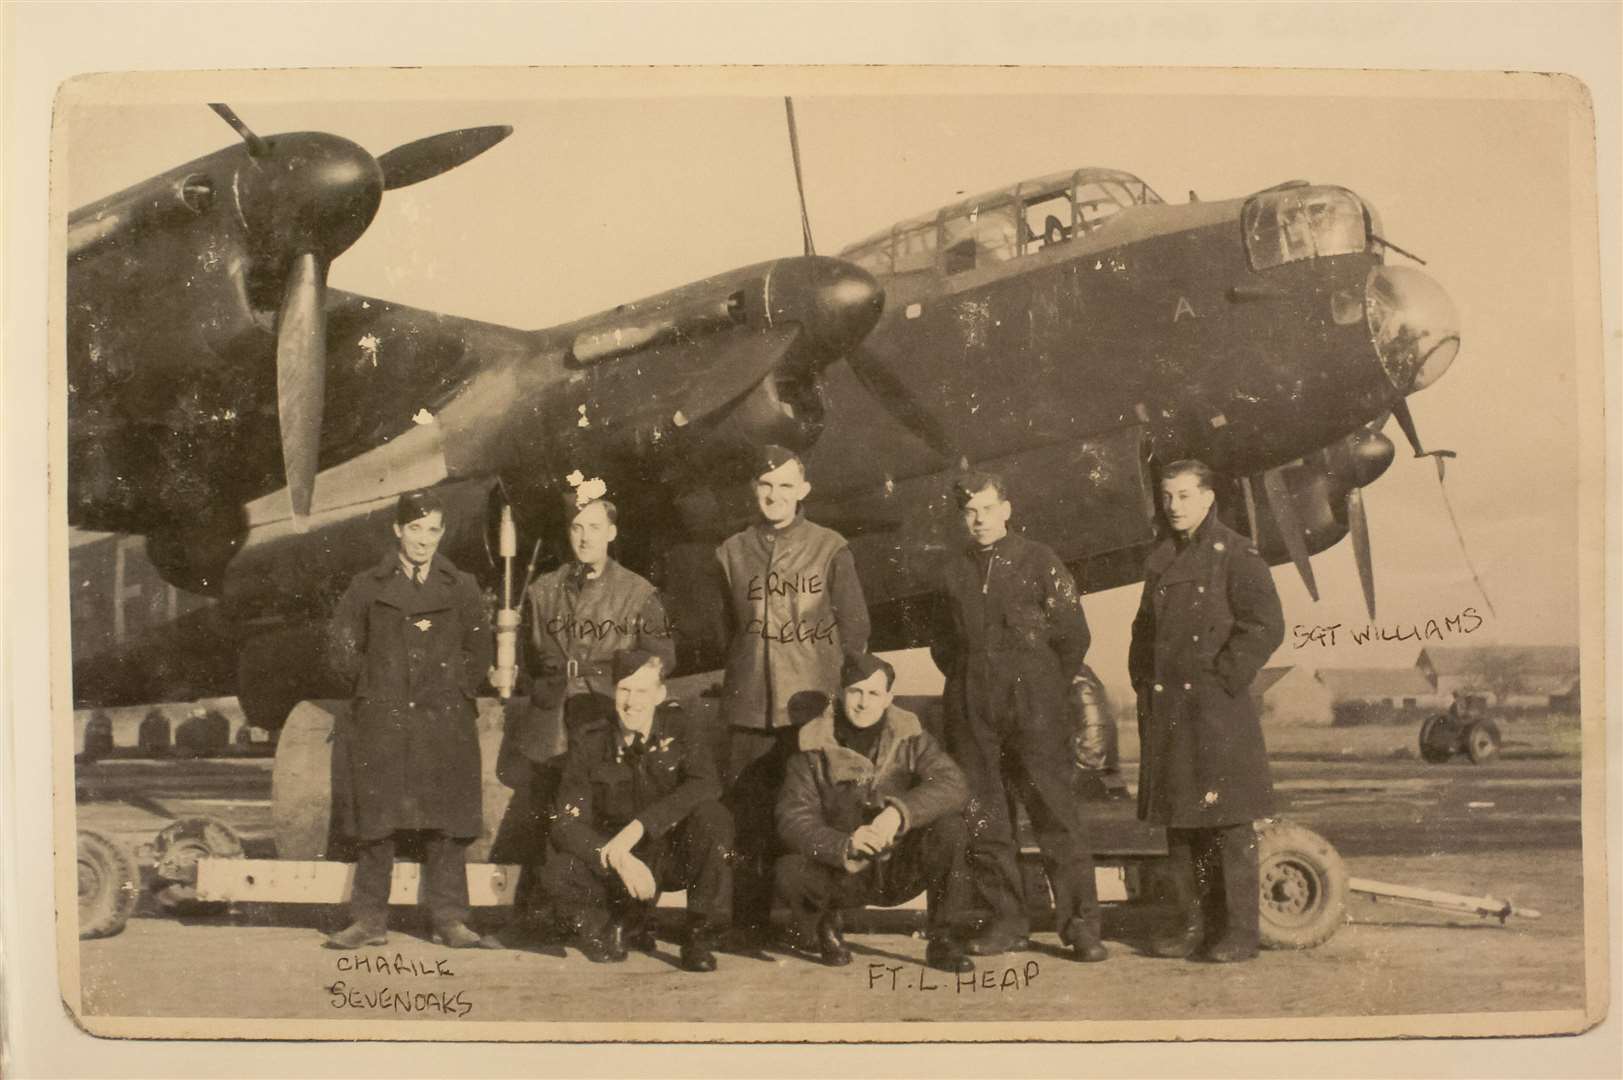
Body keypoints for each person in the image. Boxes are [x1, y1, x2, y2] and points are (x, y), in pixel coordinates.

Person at [931, 471, 1107, 962]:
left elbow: (1073, 635)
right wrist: (975, 684)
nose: (980, 519)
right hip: (974, 710)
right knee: (987, 820)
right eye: (970, 512)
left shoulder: (1040, 562)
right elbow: (943, 645)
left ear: (1006, 509)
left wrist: (1041, 686)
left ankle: (1081, 927)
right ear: (961, 518)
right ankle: (1007, 923)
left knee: (1055, 816)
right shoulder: (953, 571)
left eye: (988, 508)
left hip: (1035, 710)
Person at [324, 489, 499, 950]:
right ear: (398, 530)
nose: (424, 540)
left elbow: (479, 648)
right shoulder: (367, 586)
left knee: (446, 824)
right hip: (384, 720)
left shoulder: (461, 586)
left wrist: (456, 687)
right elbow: (341, 647)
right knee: (377, 824)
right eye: (416, 529)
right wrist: (374, 686)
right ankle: (368, 920)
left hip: (443, 720)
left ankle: (450, 920)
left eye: (434, 530)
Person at [494, 493, 676, 930]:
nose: (584, 537)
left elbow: (662, 657)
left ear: (612, 533)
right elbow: (530, 660)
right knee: (551, 814)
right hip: (554, 718)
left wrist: (621, 681)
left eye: (595, 527)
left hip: (606, 714)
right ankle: (544, 913)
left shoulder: (637, 593)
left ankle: (621, 916)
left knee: (603, 813)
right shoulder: (543, 591)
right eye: (577, 528)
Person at [1128, 459, 1285, 963]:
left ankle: (1239, 933)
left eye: (1184, 495)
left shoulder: (1236, 554)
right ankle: (1191, 927)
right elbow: (1143, 633)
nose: (1174, 506)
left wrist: (1224, 679)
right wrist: (1144, 685)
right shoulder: (1159, 560)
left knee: (1229, 824)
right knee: (1182, 826)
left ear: (1208, 498)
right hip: (1171, 708)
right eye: (1167, 496)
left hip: (1217, 711)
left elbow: (1265, 625)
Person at [715, 445, 870, 944]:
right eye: (766, 486)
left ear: (803, 491)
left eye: (785, 485)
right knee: (748, 817)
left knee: (820, 815)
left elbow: (855, 628)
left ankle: (825, 922)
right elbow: (726, 631)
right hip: (748, 707)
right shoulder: (731, 551)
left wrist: (835, 701)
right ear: (754, 491)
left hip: (809, 707)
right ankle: (748, 924)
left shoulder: (830, 547)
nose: (774, 495)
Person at [774, 654, 975, 973]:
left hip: (897, 864)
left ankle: (944, 940)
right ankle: (826, 924)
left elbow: (953, 784)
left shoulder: (911, 736)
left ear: (888, 699)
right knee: (790, 870)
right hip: (842, 870)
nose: (863, 703)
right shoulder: (813, 745)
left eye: (873, 694)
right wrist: (844, 845)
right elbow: (793, 819)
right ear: (840, 693)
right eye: (856, 692)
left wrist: (898, 813)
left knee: (951, 829)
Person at [540, 648, 733, 972]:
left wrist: (640, 827)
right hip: (617, 863)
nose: (632, 702)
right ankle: (621, 921)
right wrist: (616, 855)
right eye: (624, 690)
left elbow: (706, 784)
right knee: (560, 868)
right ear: (613, 691)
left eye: (642, 691)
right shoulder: (591, 741)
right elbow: (566, 821)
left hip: (670, 855)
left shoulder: (682, 730)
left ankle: (698, 933)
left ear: (659, 694)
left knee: (713, 819)